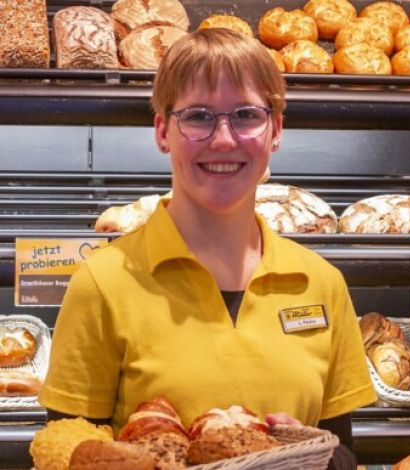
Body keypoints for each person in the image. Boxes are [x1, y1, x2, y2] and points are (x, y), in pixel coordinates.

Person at [39, 29, 375, 468]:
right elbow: (70, 452)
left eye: (246, 115)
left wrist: (306, 457)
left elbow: (345, 453)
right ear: (163, 131)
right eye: (198, 116)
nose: (223, 139)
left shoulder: (321, 283)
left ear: (275, 130)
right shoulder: (103, 283)